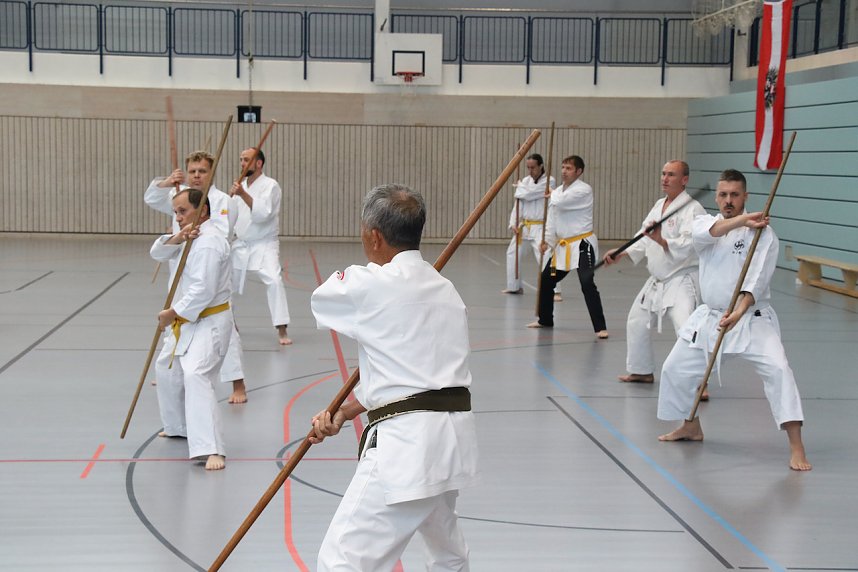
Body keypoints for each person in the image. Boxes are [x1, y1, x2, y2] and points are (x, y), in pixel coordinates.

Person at [309, 184, 479, 571]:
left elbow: (321, 298)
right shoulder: (446, 291)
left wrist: (378, 280)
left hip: (406, 448)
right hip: (450, 442)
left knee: (342, 561)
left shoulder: (369, 283)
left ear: (374, 236)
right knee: (448, 557)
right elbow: (417, 381)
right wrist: (347, 410)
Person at [656, 169, 811, 471]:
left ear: (745, 196)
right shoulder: (704, 223)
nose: (728, 200)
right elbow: (711, 233)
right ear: (717, 197)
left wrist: (739, 311)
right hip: (711, 318)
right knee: (674, 368)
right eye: (723, 195)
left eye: (735, 195)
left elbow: (757, 279)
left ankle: (797, 446)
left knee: (779, 371)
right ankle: (691, 425)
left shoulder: (764, 235)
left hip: (752, 318)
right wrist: (742, 221)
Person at [144, 150, 248, 404]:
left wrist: (195, 230)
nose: (197, 176)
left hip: (210, 269)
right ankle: (173, 370)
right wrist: (167, 182)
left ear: (212, 173)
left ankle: (238, 383)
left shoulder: (224, 200)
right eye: (192, 171)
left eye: (202, 171)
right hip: (181, 269)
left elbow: (222, 232)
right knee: (176, 319)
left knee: (225, 330)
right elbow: (151, 198)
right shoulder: (179, 195)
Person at [150, 188, 233, 470]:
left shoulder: (209, 242)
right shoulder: (188, 236)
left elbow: (203, 290)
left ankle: (212, 448)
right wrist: (178, 237)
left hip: (209, 321)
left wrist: (172, 313)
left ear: (203, 211)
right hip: (187, 321)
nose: (178, 217)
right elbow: (157, 253)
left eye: (183, 211)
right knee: (166, 368)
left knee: (196, 374)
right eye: (176, 212)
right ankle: (178, 426)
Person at [603, 160, 706, 385]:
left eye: (671, 174)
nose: (665, 178)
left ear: (685, 180)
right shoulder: (660, 205)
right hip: (658, 279)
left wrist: (662, 240)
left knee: (685, 326)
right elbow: (644, 236)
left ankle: (699, 381)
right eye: (663, 173)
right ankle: (641, 370)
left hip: (681, 278)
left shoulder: (693, 209)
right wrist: (622, 252)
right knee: (637, 320)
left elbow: (690, 244)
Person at [527, 155, 608, 338]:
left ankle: (600, 327)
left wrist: (551, 193)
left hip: (582, 246)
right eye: (563, 167)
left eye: (569, 168)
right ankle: (545, 319)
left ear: (579, 171)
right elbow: (552, 219)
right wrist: (546, 241)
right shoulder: (557, 193)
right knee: (547, 279)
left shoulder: (583, 190)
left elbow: (561, 201)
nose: (564, 171)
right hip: (563, 249)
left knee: (586, 282)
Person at [230, 148, 292, 346]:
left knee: (274, 280)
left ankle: (281, 328)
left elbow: (263, 214)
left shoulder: (271, 186)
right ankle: (229, 323)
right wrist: (231, 198)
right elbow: (230, 215)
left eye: (246, 159)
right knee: (224, 282)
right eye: (241, 159)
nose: (242, 163)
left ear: (258, 163)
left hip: (264, 244)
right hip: (241, 244)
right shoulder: (240, 186)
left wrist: (242, 194)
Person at [502, 153, 561, 300]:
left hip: (541, 227)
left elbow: (530, 194)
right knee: (512, 253)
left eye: (533, 167)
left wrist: (520, 188)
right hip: (525, 226)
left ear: (541, 166)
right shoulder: (526, 181)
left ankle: (555, 290)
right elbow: (518, 202)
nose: (530, 171)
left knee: (546, 256)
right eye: (528, 167)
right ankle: (514, 286)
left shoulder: (549, 181)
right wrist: (513, 223)